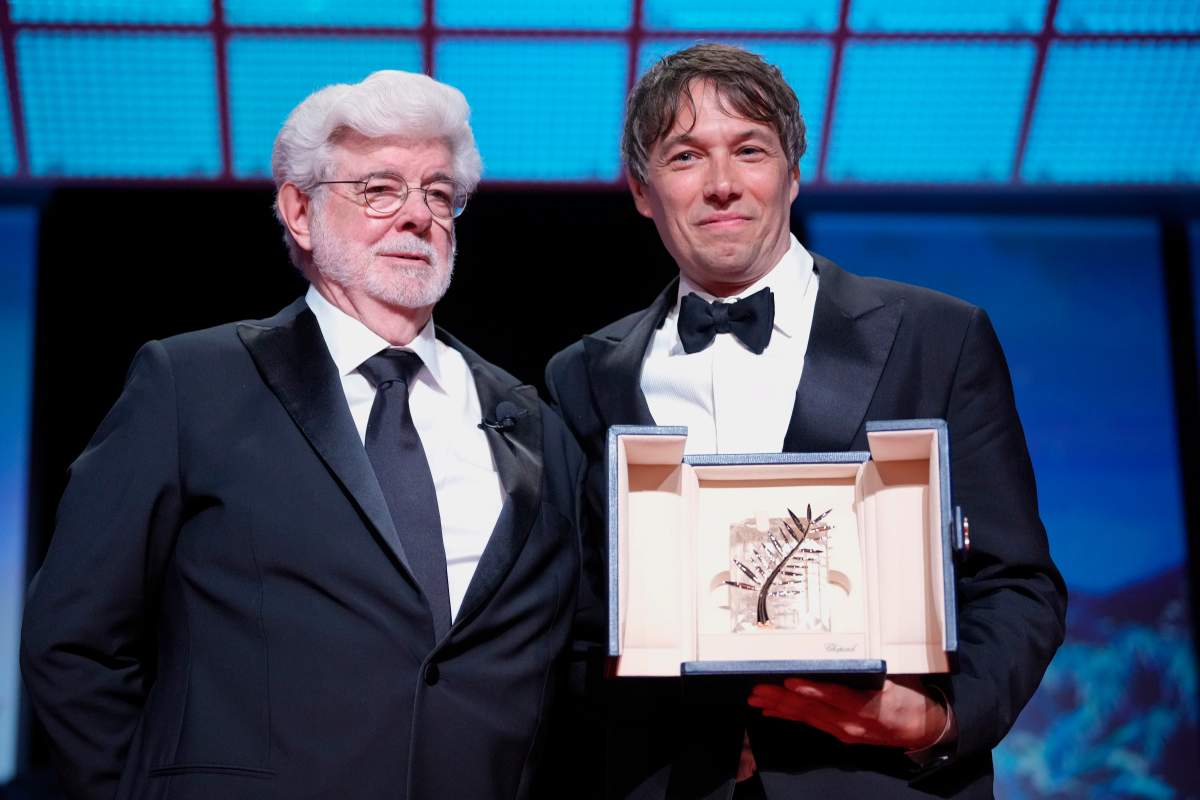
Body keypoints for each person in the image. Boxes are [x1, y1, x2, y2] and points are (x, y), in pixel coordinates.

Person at [21, 70, 584, 800]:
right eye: (380, 189)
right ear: (300, 211)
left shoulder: (533, 423)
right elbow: (72, 641)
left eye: (438, 194)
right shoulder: (191, 385)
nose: (417, 217)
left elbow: (567, 667)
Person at [545, 43, 1066, 798]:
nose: (722, 184)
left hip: (881, 782)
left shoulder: (938, 337)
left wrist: (937, 720)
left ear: (792, 173)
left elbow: (1017, 581)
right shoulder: (583, 375)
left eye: (749, 150)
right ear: (642, 190)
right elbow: (576, 617)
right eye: (686, 156)